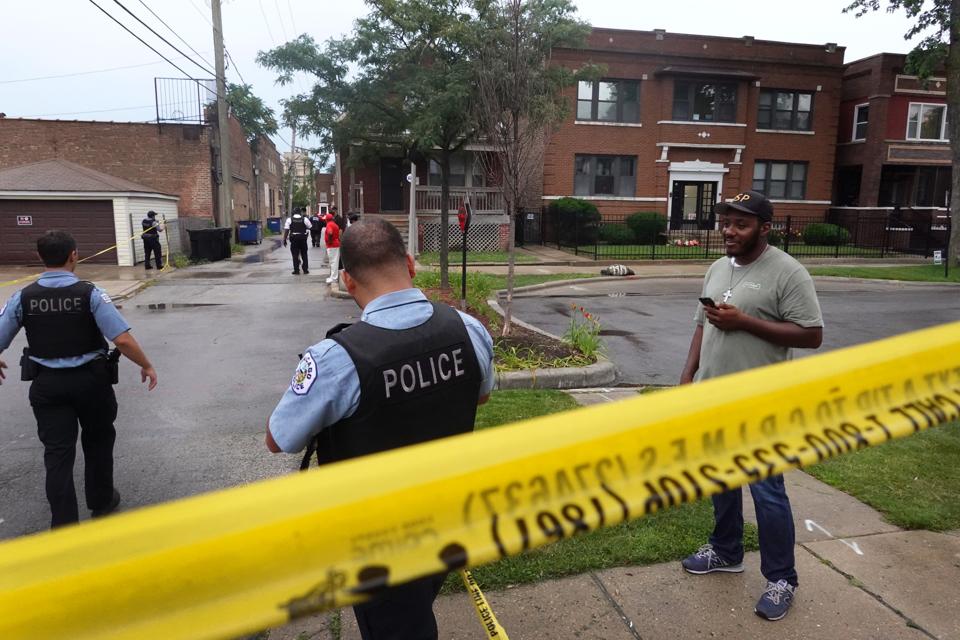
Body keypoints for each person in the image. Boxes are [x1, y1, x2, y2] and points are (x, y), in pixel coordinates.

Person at [266, 217, 494, 640]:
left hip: (376, 536)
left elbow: (279, 439)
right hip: (447, 511)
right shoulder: (468, 329)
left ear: (348, 281)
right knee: (417, 605)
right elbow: (479, 397)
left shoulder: (335, 359)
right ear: (410, 264)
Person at [678, 190, 823, 622]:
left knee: (767, 492)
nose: (729, 230)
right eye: (726, 222)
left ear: (764, 228)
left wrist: (745, 321)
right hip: (714, 396)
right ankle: (726, 551)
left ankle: (782, 579)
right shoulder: (717, 267)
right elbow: (702, 325)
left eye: (740, 224)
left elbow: (811, 334)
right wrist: (687, 376)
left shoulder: (788, 273)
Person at [0, 230, 158, 528]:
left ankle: (64, 525)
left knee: (57, 454)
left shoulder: (23, 297)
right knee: (98, 441)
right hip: (91, 383)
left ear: (40, 257)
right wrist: (146, 365)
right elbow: (122, 340)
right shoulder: (91, 294)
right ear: (74, 255)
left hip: (48, 386)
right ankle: (101, 501)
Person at [283, 207, 312, 275]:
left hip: (294, 239)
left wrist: (284, 239)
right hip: (303, 238)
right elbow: (310, 227)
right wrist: (305, 231)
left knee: (295, 255)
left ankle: (296, 270)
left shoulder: (289, 219)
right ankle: (305, 270)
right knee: (304, 254)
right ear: (300, 212)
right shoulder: (305, 219)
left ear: (293, 212)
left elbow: (286, 230)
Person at [323, 211, 341, 284]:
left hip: (332, 245)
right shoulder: (334, 224)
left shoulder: (329, 225)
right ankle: (333, 277)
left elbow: (330, 233)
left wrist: (329, 241)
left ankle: (334, 278)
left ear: (327, 219)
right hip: (335, 244)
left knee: (333, 262)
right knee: (333, 261)